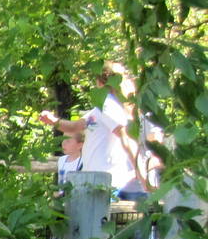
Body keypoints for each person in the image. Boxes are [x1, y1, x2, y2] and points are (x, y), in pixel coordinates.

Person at [39, 62, 157, 200]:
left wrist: (142, 176)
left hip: (109, 184)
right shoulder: (100, 109)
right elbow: (75, 127)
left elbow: (125, 137)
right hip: (97, 181)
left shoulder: (108, 104)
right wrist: (54, 121)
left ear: (101, 82)